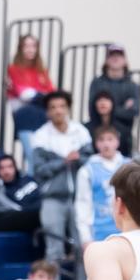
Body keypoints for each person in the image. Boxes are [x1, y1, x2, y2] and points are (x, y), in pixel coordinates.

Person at [32, 91, 93, 264]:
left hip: (80, 197)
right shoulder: (41, 136)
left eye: (62, 106)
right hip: (52, 198)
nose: (58, 111)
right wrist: (63, 162)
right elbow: (39, 170)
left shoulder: (80, 132)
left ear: (68, 109)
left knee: (84, 247)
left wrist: (77, 159)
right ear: (47, 112)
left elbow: (90, 162)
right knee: (54, 247)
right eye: (53, 107)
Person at [7, 34, 54, 171]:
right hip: (26, 118)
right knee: (32, 157)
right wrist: (41, 95)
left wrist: (38, 95)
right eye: (26, 46)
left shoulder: (42, 71)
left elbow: (52, 94)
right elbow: (24, 95)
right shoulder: (13, 68)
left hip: (42, 117)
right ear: (20, 48)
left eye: (33, 46)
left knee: (44, 157)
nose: (30, 49)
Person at [75, 126, 128, 250]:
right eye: (101, 140)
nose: (106, 144)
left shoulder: (129, 167)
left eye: (110, 139)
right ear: (96, 143)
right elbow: (83, 204)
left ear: (117, 142)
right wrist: (85, 238)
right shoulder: (87, 170)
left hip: (126, 232)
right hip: (98, 234)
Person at [87, 44, 138, 143]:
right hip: (98, 133)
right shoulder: (97, 82)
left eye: (119, 55)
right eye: (112, 55)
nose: (115, 58)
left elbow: (133, 112)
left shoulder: (132, 85)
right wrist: (122, 109)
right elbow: (92, 109)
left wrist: (107, 109)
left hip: (124, 134)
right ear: (106, 60)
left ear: (125, 61)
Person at [85, 91, 132, 157]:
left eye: (106, 100)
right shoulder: (85, 129)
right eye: (99, 100)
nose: (103, 103)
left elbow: (127, 152)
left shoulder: (123, 129)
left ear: (113, 103)